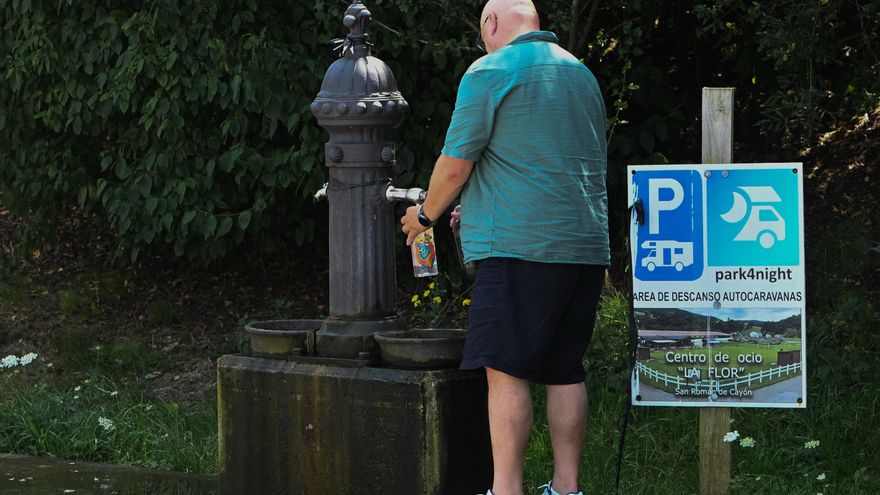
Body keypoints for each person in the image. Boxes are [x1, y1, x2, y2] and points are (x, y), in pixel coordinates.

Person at [400, 0, 609, 494]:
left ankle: (505, 490)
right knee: (565, 371)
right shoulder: (581, 75)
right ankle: (566, 488)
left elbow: (455, 166)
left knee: (505, 372)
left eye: (481, 33)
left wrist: (424, 214)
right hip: (584, 248)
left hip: (520, 250)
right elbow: (541, 163)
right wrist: (475, 205)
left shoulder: (489, 71)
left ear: (491, 24)